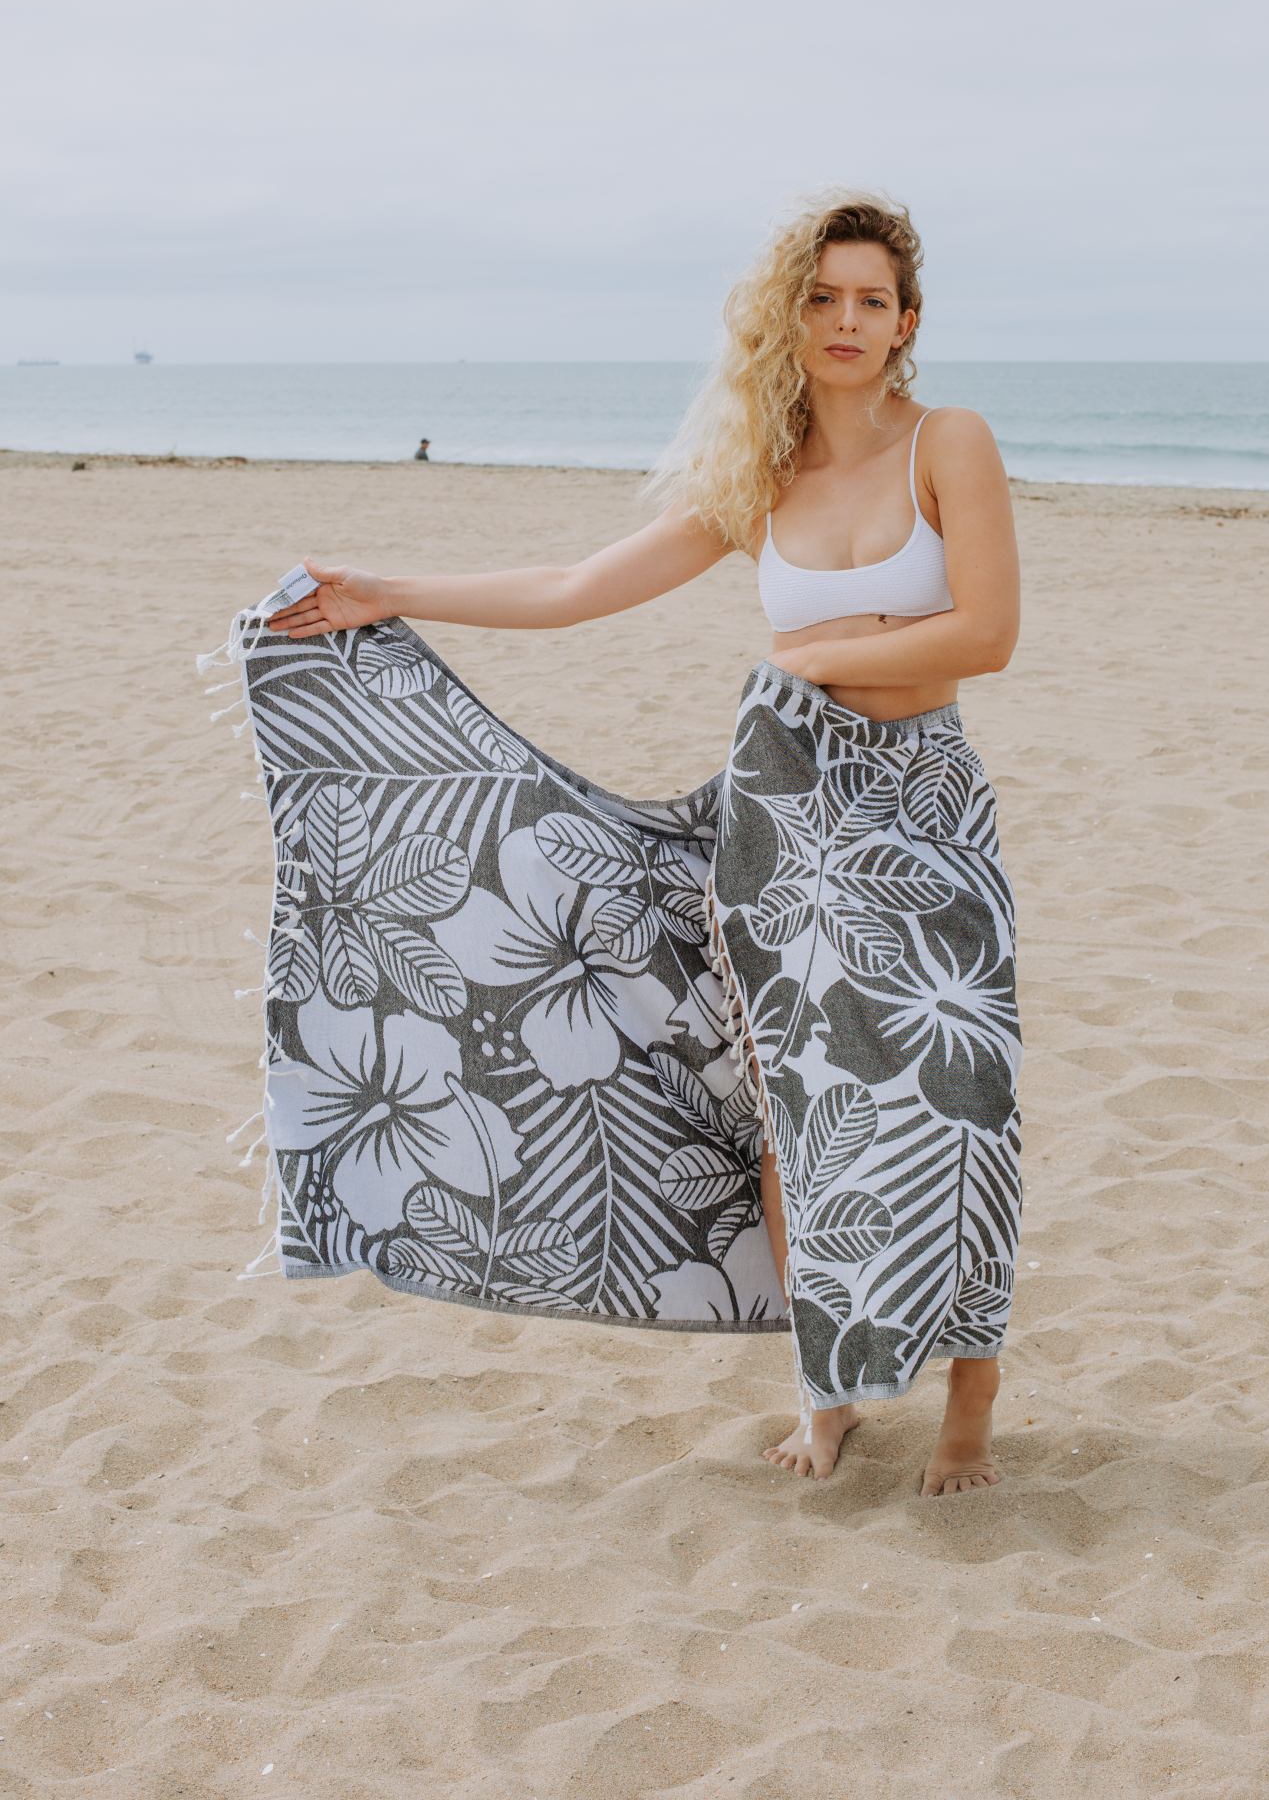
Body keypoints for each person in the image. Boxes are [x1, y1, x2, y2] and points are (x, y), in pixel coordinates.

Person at [266, 191, 1021, 1497]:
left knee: (957, 1097)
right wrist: (389, 592)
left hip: (925, 804)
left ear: (907, 323)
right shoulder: (763, 475)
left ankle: (971, 1395)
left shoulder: (948, 442)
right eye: (823, 297)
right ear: (790, 315)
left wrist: (813, 656)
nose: (847, 320)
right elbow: (577, 588)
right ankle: (829, 1392)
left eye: (873, 300)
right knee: (796, 1107)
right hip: (787, 808)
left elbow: (989, 634)